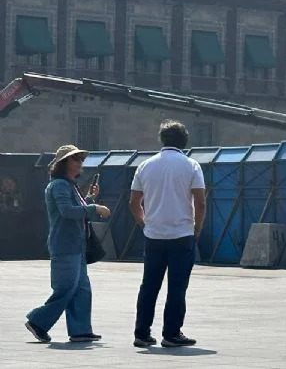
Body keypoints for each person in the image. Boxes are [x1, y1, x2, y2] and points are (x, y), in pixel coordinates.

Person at [129, 120, 206, 348]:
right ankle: (171, 333)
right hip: (182, 235)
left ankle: (142, 333)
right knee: (177, 287)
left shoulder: (145, 166)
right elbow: (200, 202)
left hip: (154, 236)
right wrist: (197, 228)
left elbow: (134, 202)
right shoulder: (191, 165)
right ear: (184, 140)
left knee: (149, 286)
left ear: (162, 140)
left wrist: (144, 224)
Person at [25, 145, 111, 343]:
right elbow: (67, 211)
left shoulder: (68, 185)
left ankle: (80, 331)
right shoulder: (60, 186)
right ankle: (38, 322)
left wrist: (89, 199)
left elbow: (75, 211)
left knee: (82, 289)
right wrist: (95, 207)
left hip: (76, 247)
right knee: (66, 288)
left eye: (81, 159)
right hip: (65, 246)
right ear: (64, 163)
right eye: (76, 159)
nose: (80, 163)